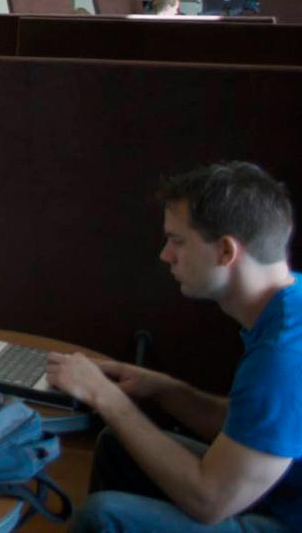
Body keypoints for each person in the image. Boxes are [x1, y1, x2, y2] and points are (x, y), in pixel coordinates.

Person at [46, 162, 301, 532]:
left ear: (226, 252)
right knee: (118, 447)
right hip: (278, 488)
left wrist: (105, 397)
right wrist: (167, 390)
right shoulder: (286, 306)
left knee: (105, 517)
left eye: (177, 240)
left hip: (283, 517)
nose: (166, 254)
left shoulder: (282, 356)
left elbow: (209, 500)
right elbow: (256, 424)